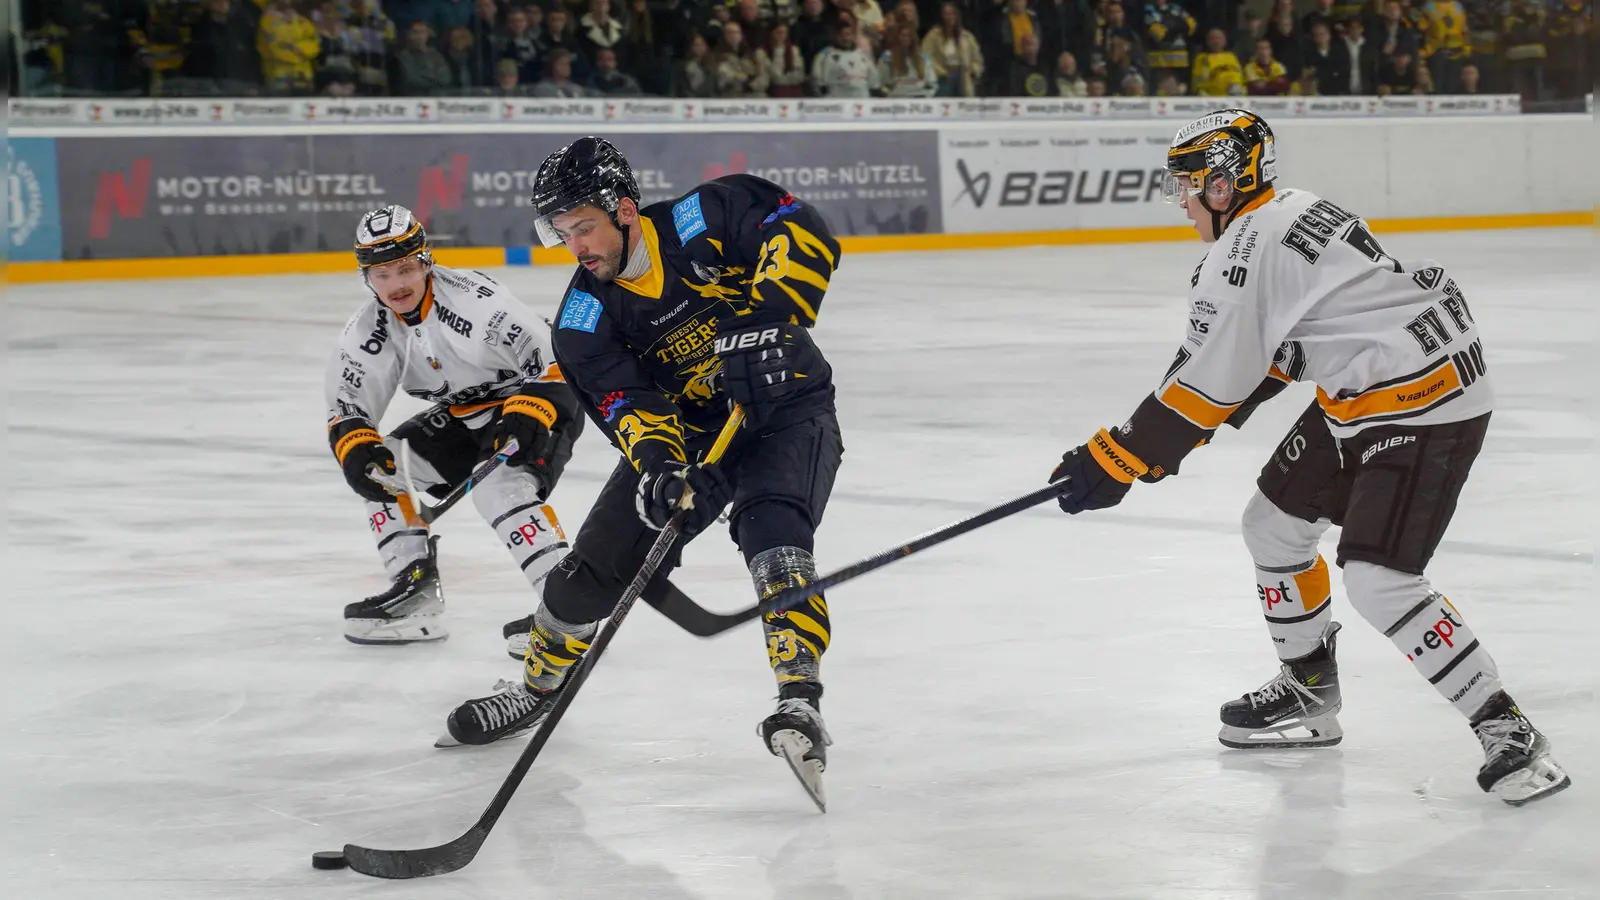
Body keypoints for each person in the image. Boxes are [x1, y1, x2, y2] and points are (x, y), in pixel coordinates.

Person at [1047, 110, 1571, 808]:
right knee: (1272, 527)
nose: (1181, 201)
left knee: (1378, 580)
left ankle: (1505, 726)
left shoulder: (1242, 256)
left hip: (1426, 400)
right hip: (1374, 384)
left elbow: (1208, 382)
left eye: (1190, 185)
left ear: (1226, 184)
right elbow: (1261, 358)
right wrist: (1140, 448)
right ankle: (1309, 689)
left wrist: (1114, 458)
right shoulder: (1286, 210)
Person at [443, 138, 845, 808]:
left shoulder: (700, 220)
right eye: (562, 232)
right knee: (583, 582)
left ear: (625, 210)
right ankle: (537, 690)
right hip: (693, 437)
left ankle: (799, 702)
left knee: (774, 534)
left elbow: (796, 226)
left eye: (584, 227)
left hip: (787, 406)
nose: (575, 246)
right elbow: (629, 406)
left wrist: (772, 322)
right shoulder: (583, 319)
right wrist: (661, 470)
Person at [327, 205, 584, 649]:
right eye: (381, 274)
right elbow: (348, 407)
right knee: (386, 468)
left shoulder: (476, 300)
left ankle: (568, 615)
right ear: (366, 277)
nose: (396, 285)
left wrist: (530, 410)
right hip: (465, 414)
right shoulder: (369, 330)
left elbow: (554, 360)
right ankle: (414, 594)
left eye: (405, 269)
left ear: (425, 262)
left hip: (539, 399)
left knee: (499, 487)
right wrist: (356, 446)